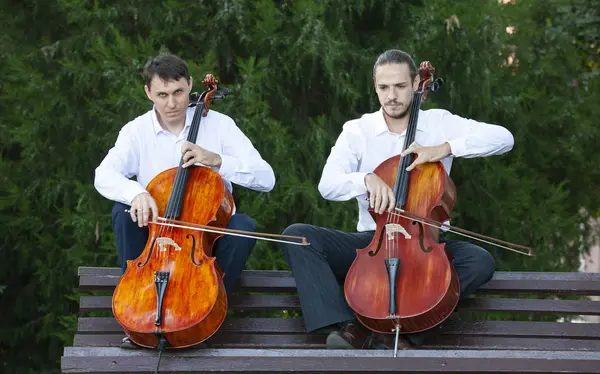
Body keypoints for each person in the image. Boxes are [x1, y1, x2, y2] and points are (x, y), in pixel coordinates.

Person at [279, 49, 514, 350]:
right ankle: (349, 325)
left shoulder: (440, 122)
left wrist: (444, 148)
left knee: (479, 261)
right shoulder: (357, 130)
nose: (392, 96)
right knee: (297, 236)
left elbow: (504, 138)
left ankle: (399, 331)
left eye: (400, 86)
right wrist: (364, 179)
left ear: (417, 83)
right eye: (384, 87)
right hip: (371, 243)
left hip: (426, 246)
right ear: (375, 87)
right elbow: (328, 184)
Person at [94, 53, 275, 347]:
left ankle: (203, 316)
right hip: (155, 238)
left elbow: (266, 178)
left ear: (190, 85)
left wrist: (217, 160)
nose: (172, 103)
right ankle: (137, 312)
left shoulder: (219, 125)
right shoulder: (136, 131)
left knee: (242, 226)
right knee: (122, 211)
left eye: (179, 92)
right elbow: (103, 175)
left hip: (201, 242)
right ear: (148, 93)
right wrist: (136, 193)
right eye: (162, 95)